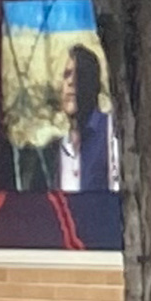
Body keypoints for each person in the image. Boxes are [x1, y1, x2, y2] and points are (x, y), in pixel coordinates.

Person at [57, 45, 118, 193]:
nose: (71, 83)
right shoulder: (60, 147)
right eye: (67, 75)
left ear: (94, 84)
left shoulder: (111, 131)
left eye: (80, 75)